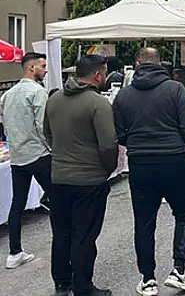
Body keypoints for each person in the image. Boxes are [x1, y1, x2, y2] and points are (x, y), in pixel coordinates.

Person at [113, 48, 185, 295]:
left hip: (140, 162)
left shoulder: (123, 96)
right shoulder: (175, 89)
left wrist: (138, 144)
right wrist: (175, 141)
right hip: (174, 158)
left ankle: (148, 278)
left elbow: (119, 133)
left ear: (137, 64)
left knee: (144, 221)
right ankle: (179, 269)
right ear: (160, 63)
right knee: (184, 214)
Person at [44, 55, 117, 296]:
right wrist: (107, 169)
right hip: (89, 180)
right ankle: (83, 285)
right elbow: (108, 145)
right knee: (84, 236)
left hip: (59, 177)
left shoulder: (54, 99)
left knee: (62, 233)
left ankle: (61, 283)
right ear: (97, 75)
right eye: (104, 73)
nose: (105, 77)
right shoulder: (98, 103)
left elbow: (48, 135)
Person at [0, 52, 51, 269]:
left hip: (18, 155)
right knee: (57, 198)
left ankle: (14, 251)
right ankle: (64, 244)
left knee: (17, 202)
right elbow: (43, 125)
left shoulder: (7, 95)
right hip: (38, 153)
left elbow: (5, 124)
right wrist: (52, 148)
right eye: (43, 66)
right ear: (32, 68)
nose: (46, 69)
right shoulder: (38, 92)